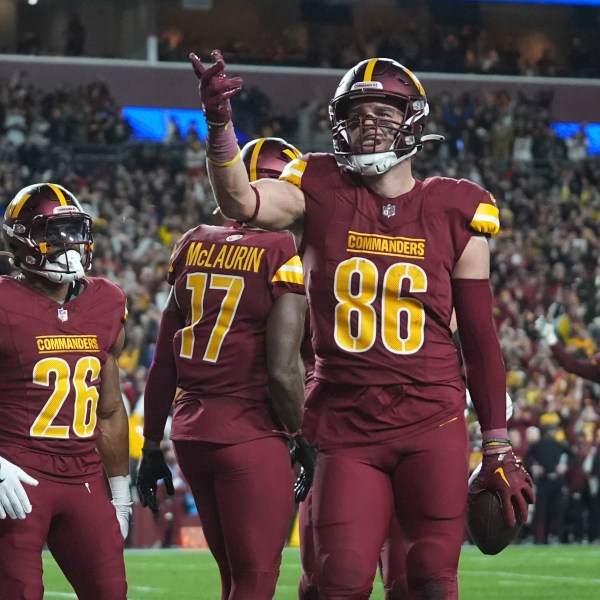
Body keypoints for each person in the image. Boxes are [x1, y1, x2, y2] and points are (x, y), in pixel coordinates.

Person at [189, 50, 536, 599]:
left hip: (432, 421)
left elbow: (479, 338)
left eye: (383, 112)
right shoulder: (319, 183)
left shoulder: (457, 208)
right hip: (346, 420)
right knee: (340, 578)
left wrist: (497, 443)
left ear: (413, 120)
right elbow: (240, 197)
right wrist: (219, 124)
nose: (368, 125)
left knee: (427, 580)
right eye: (356, 114)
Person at [136, 137, 315, 600]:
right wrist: (301, 435)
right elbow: (282, 371)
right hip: (250, 433)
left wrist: (152, 443)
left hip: (191, 434)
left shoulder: (192, 243)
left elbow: (163, 362)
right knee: (255, 580)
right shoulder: (280, 251)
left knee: (233, 579)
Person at [0, 183, 130, 599]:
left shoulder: (106, 301)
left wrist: (122, 493)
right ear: (22, 241)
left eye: (74, 231)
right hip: (17, 475)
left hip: (84, 476)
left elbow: (109, 411)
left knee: (111, 592)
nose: (69, 244)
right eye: (53, 234)